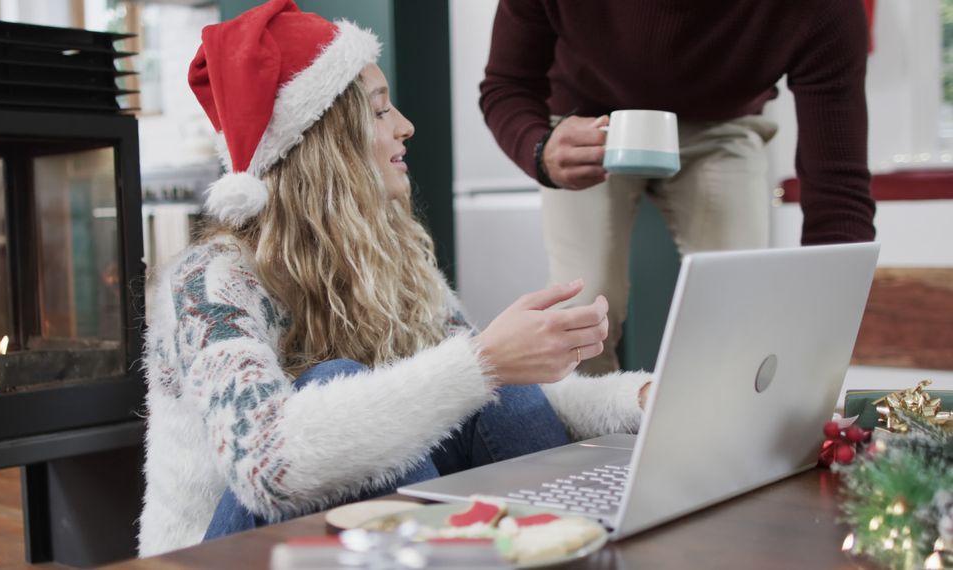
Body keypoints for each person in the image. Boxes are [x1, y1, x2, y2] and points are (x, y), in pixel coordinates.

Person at [138, 0, 651, 557]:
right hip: (214, 556)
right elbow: (272, 466)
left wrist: (640, 398)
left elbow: (491, 384)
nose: (405, 126)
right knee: (346, 381)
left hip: (341, 546)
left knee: (504, 389)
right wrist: (481, 361)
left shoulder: (395, 257)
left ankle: (570, 545)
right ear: (324, 138)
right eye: (380, 111)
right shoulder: (211, 282)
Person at [480, 0, 877, 376]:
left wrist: (827, 328)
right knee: (584, 307)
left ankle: (720, 437)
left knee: (740, 309)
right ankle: (583, 439)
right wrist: (540, 149)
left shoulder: (823, 9)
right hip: (589, 120)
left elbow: (837, 186)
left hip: (723, 125)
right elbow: (507, 83)